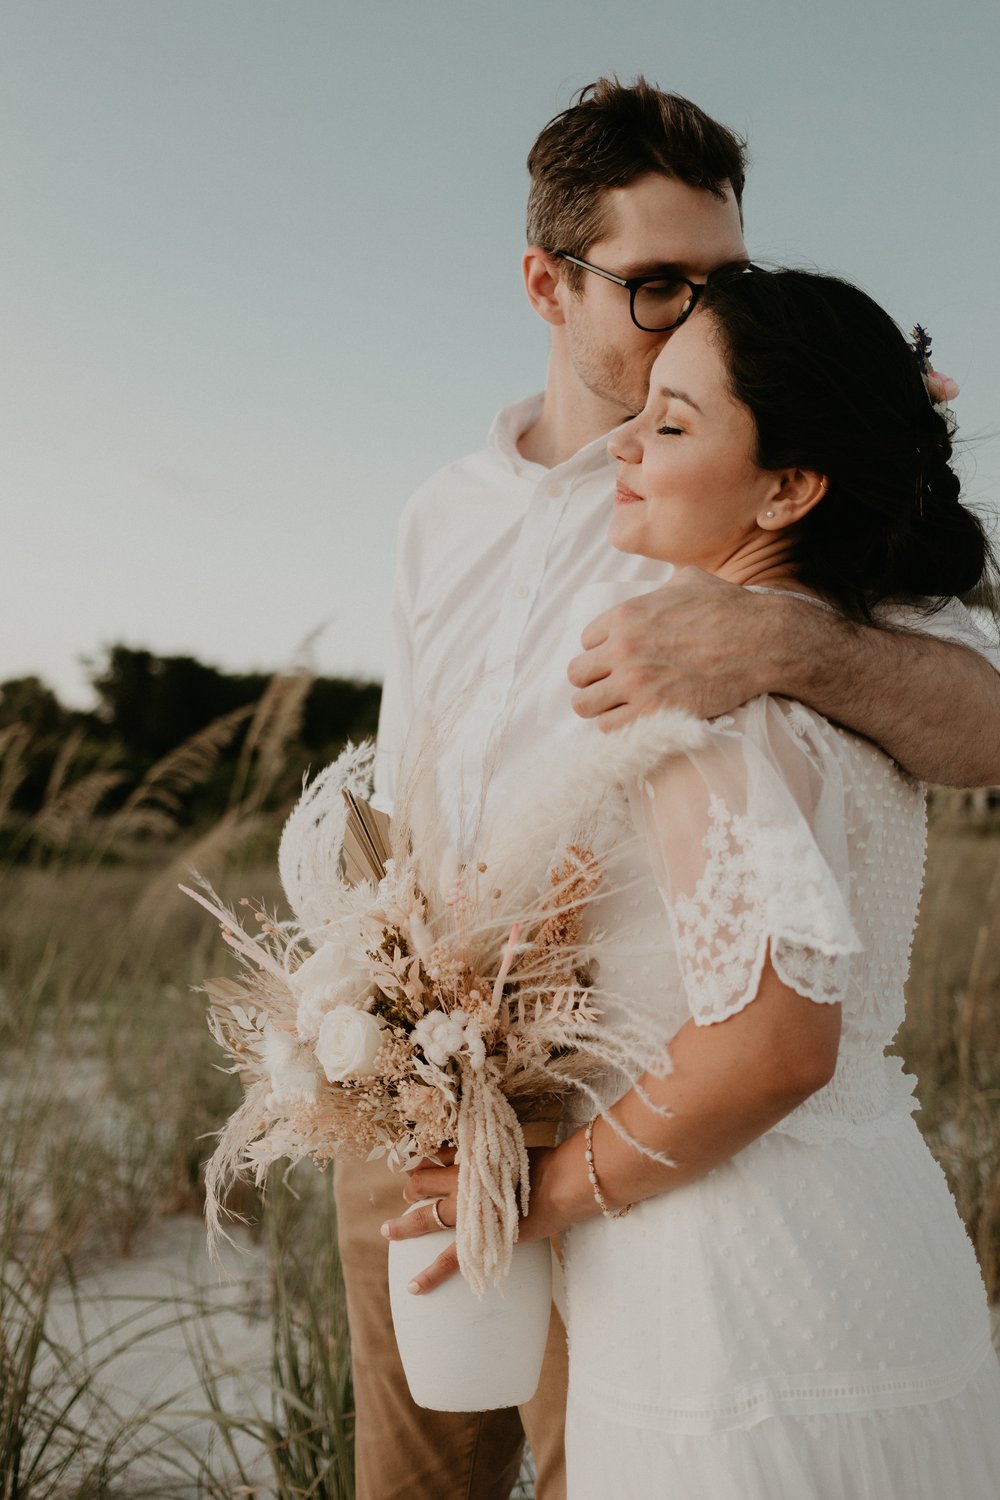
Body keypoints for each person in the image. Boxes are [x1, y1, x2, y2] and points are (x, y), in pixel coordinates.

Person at [339, 78, 1000, 1500]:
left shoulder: (765, 458)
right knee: (410, 1477)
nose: (697, 313)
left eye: (725, 276)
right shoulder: (439, 512)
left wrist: (783, 638)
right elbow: (398, 794)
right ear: (546, 282)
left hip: (641, 1116)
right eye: (656, 287)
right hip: (421, 1104)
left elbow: (989, 725)